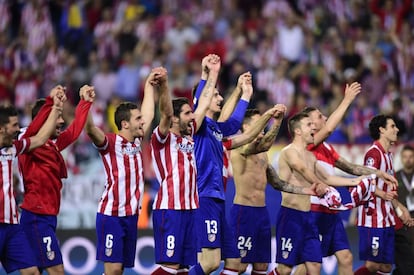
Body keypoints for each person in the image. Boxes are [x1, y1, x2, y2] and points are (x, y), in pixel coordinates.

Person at [294, 82, 398, 275]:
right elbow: (329, 129)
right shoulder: (307, 145)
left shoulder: (326, 148)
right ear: (309, 124)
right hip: (313, 210)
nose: (324, 118)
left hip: (331, 211)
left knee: (346, 257)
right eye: (319, 116)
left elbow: (350, 167)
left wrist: (376, 173)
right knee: (308, 264)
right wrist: (347, 100)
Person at [229, 105, 325, 275]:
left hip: (262, 214)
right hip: (244, 212)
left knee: (261, 266)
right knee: (240, 266)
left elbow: (277, 183)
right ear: (245, 127)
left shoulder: (263, 155)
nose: (262, 126)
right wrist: (277, 121)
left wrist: (305, 191)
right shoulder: (239, 149)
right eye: (259, 122)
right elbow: (259, 146)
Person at [268, 112, 368, 275]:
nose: (313, 127)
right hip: (290, 217)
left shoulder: (310, 156)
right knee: (284, 270)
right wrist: (320, 185)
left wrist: (354, 181)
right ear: (298, 131)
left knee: (314, 265)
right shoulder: (288, 151)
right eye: (308, 124)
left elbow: (327, 177)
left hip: (308, 218)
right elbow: (301, 168)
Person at [84, 67, 157, 275]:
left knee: (120, 269)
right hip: (112, 214)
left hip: (131, 216)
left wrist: (150, 85)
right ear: (125, 124)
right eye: (137, 120)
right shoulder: (109, 142)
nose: (142, 122)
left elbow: (149, 112)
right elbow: (90, 130)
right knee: (114, 270)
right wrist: (85, 104)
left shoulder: (136, 141)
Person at [150, 58, 217, 275]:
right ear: (176, 119)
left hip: (190, 209)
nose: (193, 117)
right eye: (188, 113)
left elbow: (204, 103)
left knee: (183, 269)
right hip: (170, 210)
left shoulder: (189, 136)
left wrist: (213, 72)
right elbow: (166, 113)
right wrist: (165, 85)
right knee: (169, 267)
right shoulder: (162, 138)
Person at [18, 85, 94, 275]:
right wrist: (52, 102)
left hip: (47, 216)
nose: (61, 121)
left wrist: (84, 102)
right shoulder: (30, 142)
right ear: (43, 121)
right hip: (36, 216)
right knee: (57, 270)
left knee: (34, 272)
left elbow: (75, 130)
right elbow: (34, 130)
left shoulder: (52, 144)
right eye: (56, 117)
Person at [189, 55, 252, 275]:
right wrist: (208, 73)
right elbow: (201, 99)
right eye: (215, 93)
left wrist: (246, 95)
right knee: (210, 263)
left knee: (235, 263)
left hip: (217, 199)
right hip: (203, 196)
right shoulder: (197, 125)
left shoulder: (215, 128)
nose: (220, 97)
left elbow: (234, 124)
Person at [0, 87, 64, 275]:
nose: (18, 129)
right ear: (2, 128)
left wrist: (54, 107)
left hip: (12, 225)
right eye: (13, 125)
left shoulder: (15, 147)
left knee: (32, 272)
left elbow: (41, 137)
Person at [351, 115, 414, 275]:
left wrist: (400, 209)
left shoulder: (388, 155)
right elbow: (367, 182)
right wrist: (382, 193)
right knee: (372, 265)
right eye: (392, 126)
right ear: (382, 130)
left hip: (387, 217)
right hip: (373, 219)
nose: (397, 129)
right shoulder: (374, 154)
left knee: (386, 266)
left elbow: (388, 192)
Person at [394, 144, 414, 275]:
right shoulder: (395, 177)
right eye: (405, 157)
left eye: (411, 157)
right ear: (401, 158)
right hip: (402, 222)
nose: (408, 159)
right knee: (403, 262)